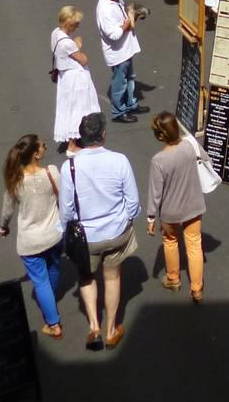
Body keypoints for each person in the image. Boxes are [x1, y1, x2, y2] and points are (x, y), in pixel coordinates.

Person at [58, 113, 140, 350]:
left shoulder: (69, 167)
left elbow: (66, 210)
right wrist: (123, 219)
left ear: (81, 138)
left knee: (85, 277)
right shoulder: (120, 161)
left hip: (86, 237)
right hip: (115, 232)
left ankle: (94, 326)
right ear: (103, 134)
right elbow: (133, 202)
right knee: (112, 277)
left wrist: (67, 232)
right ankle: (112, 329)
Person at [0, 134, 65, 340]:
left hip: (30, 241)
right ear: (36, 154)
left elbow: (7, 211)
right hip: (55, 234)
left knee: (40, 281)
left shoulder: (15, 181)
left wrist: (3, 227)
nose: (46, 147)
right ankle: (50, 299)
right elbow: (64, 197)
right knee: (53, 267)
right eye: (43, 145)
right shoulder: (52, 172)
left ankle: (53, 324)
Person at [146, 112, 212, 302]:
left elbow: (155, 192)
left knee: (170, 241)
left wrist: (151, 217)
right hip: (193, 205)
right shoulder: (190, 145)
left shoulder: (159, 160)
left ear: (160, 136)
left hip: (170, 212)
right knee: (194, 245)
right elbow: (207, 160)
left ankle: (173, 278)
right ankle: (197, 288)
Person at [51, 6, 100, 154]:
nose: (78, 26)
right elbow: (84, 60)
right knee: (78, 109)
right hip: (75, 79)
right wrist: (78, 46)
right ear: (69, 23)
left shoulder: (55, 33)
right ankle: (73, 145)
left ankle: (72, 140)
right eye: (76, 23)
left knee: (68, 108)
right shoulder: (68, 43)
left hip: (65, 77)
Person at [96, 0, 144, 123]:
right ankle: (118, 112)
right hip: (118, 52)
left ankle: (130, 103)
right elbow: (114, 34)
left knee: (130, 78)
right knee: (120, 82)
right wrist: (129, 21)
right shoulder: (105, 11)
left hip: (126, 48)